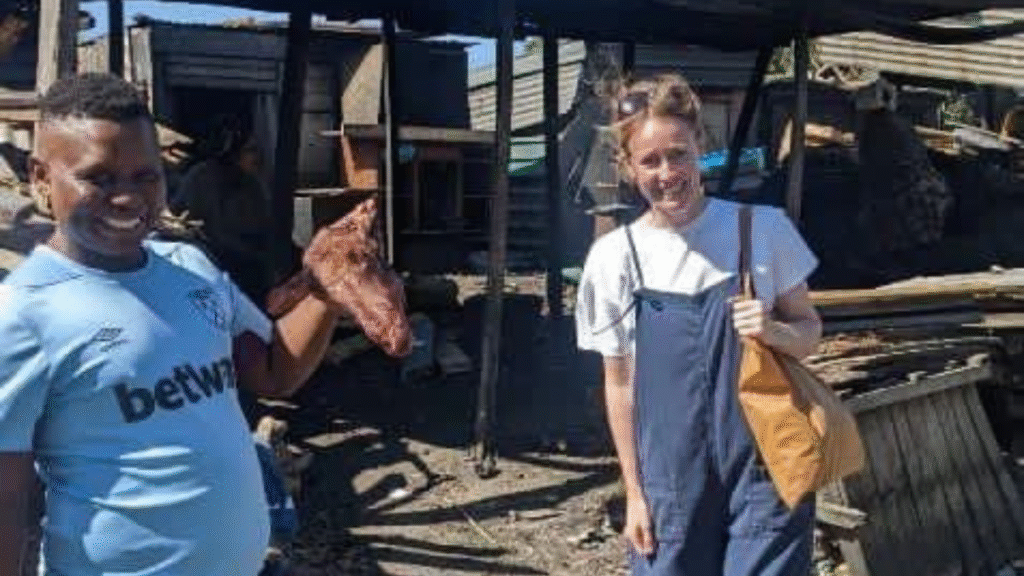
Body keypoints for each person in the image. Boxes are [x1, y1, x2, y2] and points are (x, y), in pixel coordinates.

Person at [0, 73, 340, 576]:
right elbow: (8, 501)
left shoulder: (190, 267)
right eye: (99, 178)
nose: (128, 198)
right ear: (41, 177)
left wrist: (329, 292)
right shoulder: (22, 314)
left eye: (146, 176)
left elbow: (274, 372)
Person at [574, 73, 823, 576]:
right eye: (650, 161)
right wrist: (635, 494)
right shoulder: (614, 258)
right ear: (627, 167)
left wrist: (774, 331)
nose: (668, 173)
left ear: (700, 148)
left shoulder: (761, 229)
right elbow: (619, 385)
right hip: (670, 483)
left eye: (679, 154)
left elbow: (809, 332)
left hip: (765, 473)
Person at [171, 113, 273, 307]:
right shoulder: (204, 177)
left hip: (249, 270)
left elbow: (264, 227)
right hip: (212, 269)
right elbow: (211, 232)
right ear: (233, 152)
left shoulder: (252, 184)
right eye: (250, 150)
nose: (258, 157)